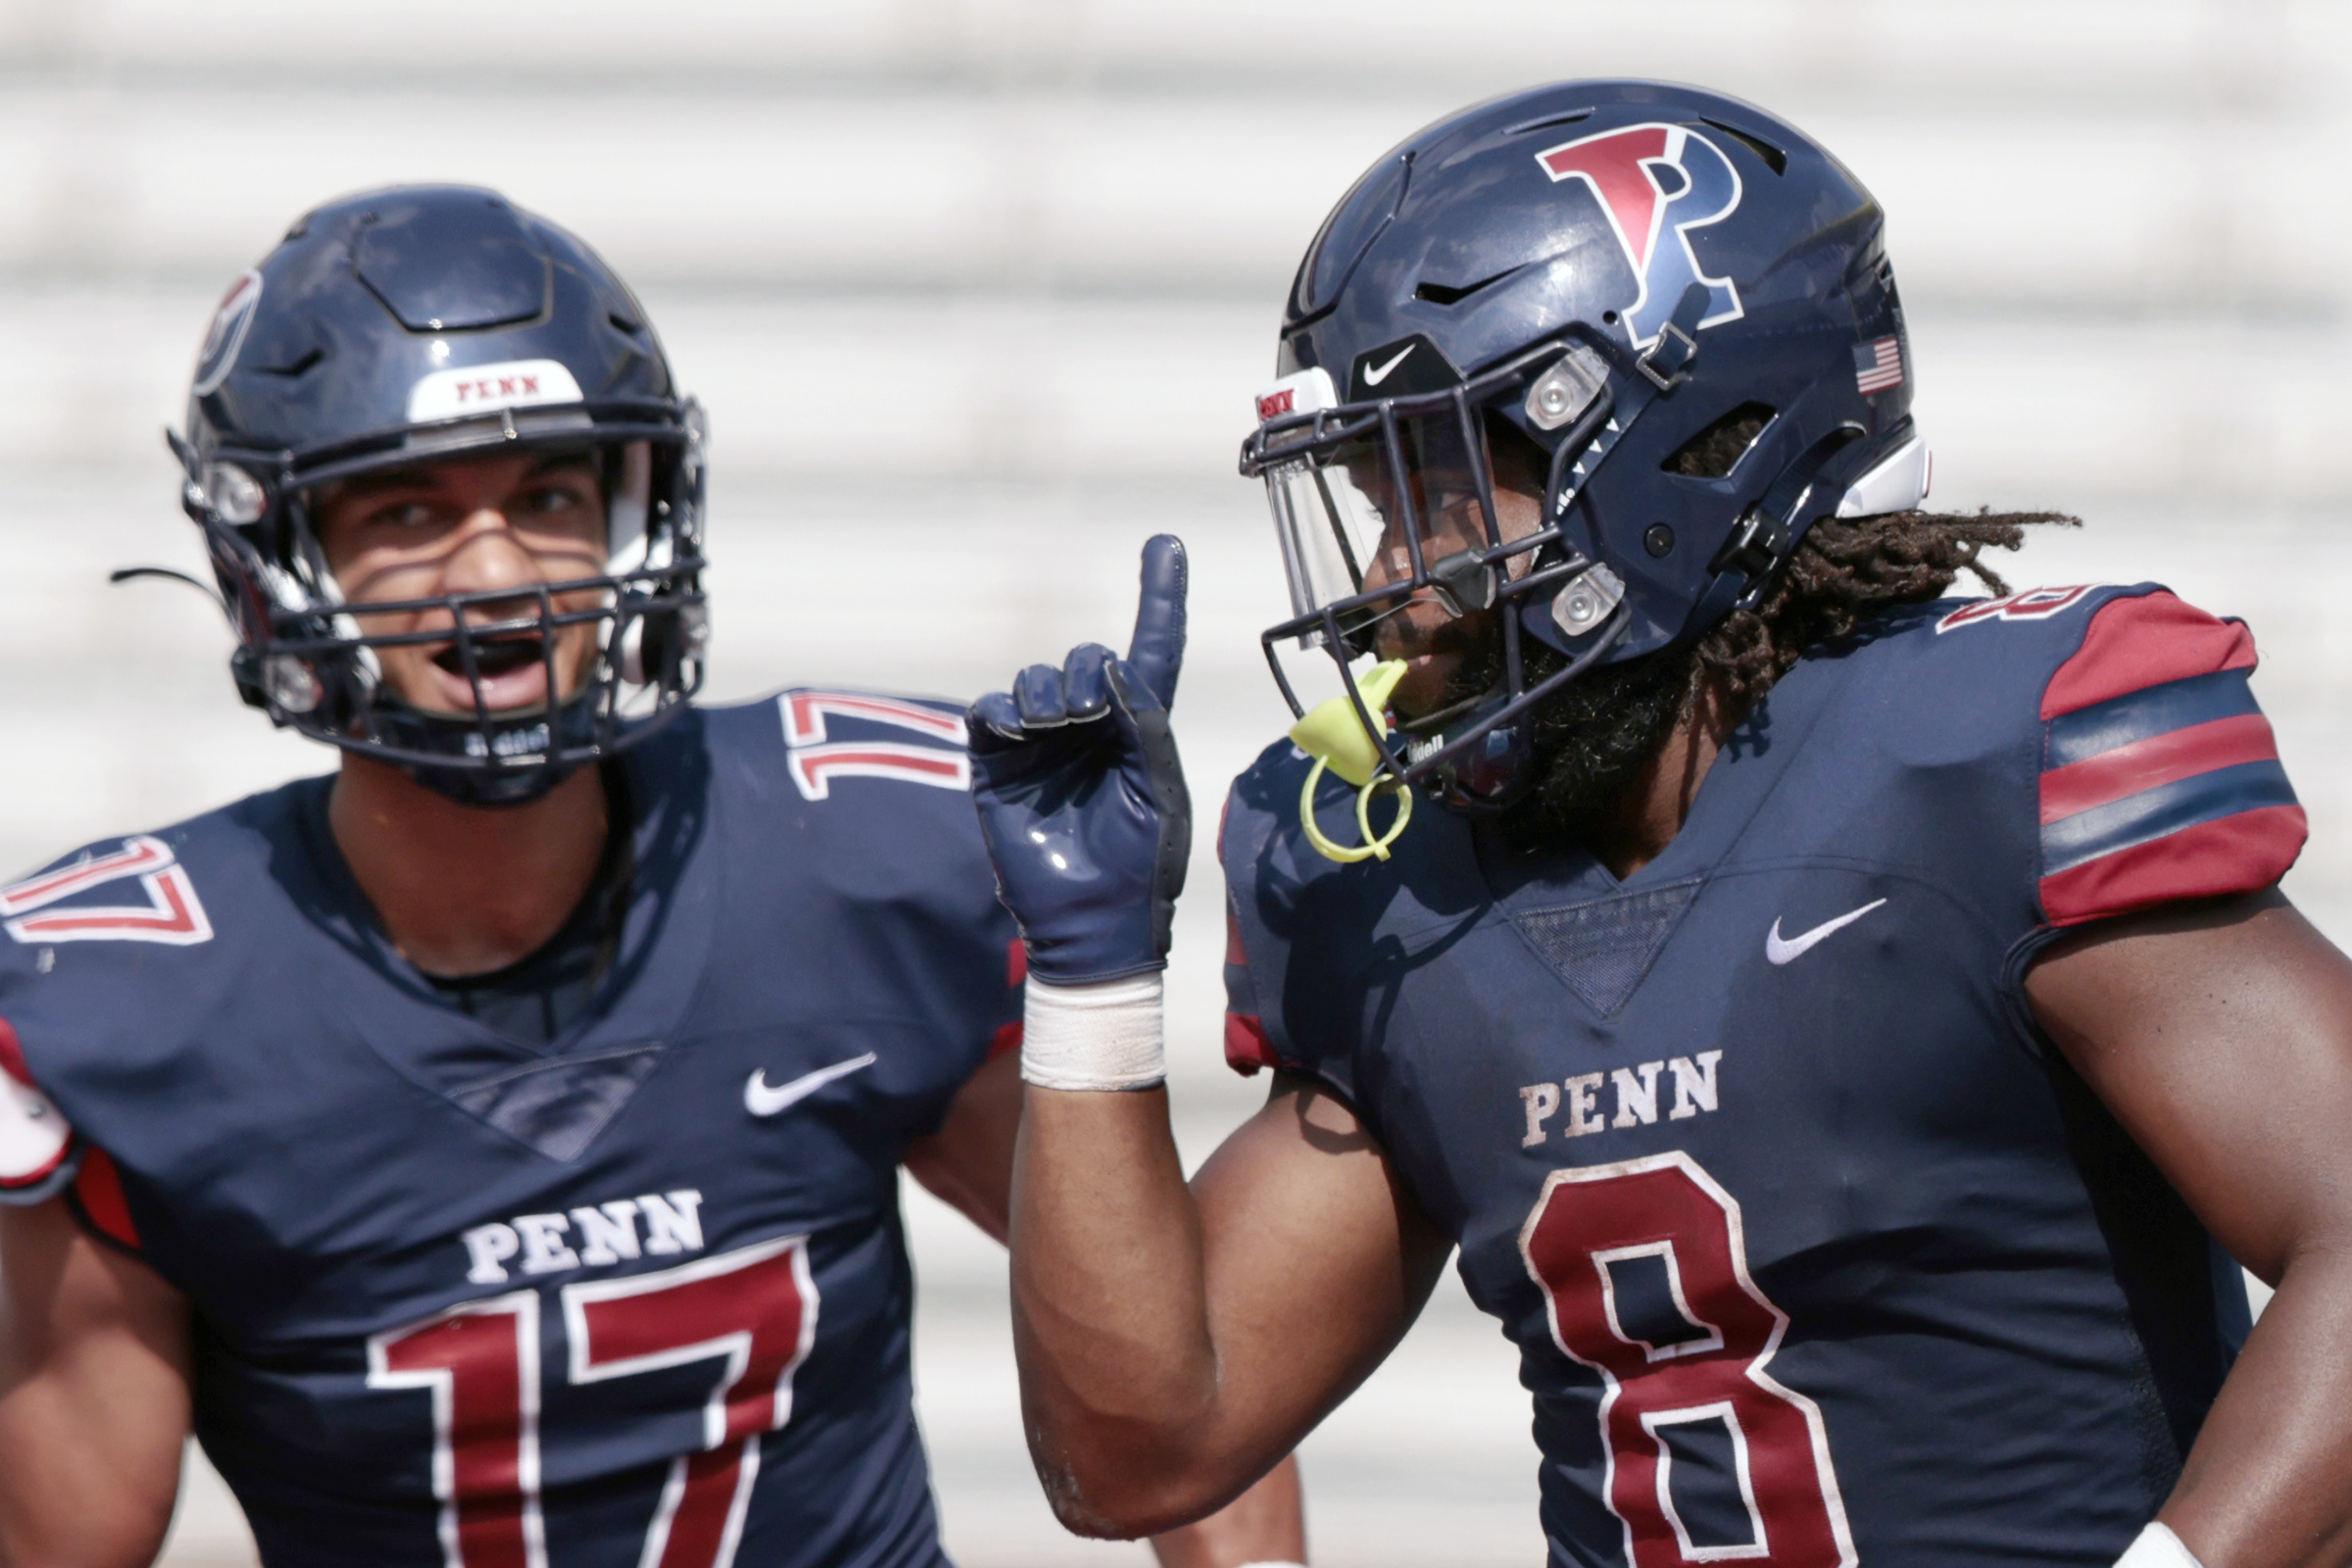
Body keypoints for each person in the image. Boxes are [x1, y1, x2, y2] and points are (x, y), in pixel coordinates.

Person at [965, 81, 2352, 1568]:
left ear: (1676, 454)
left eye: (1431, 492)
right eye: (1372, 503)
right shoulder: (1406, 885)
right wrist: (1095, 980)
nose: (1390, 578)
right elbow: (1142, 1452)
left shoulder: (1978, 755)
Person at [0, 185, 1301, 1568]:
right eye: (407, 510)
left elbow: (1165, 1398)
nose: (495, 572)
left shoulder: (862, 860)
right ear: (274, 555)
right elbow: (68, 1538)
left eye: (549, 494)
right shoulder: (127, 1015)